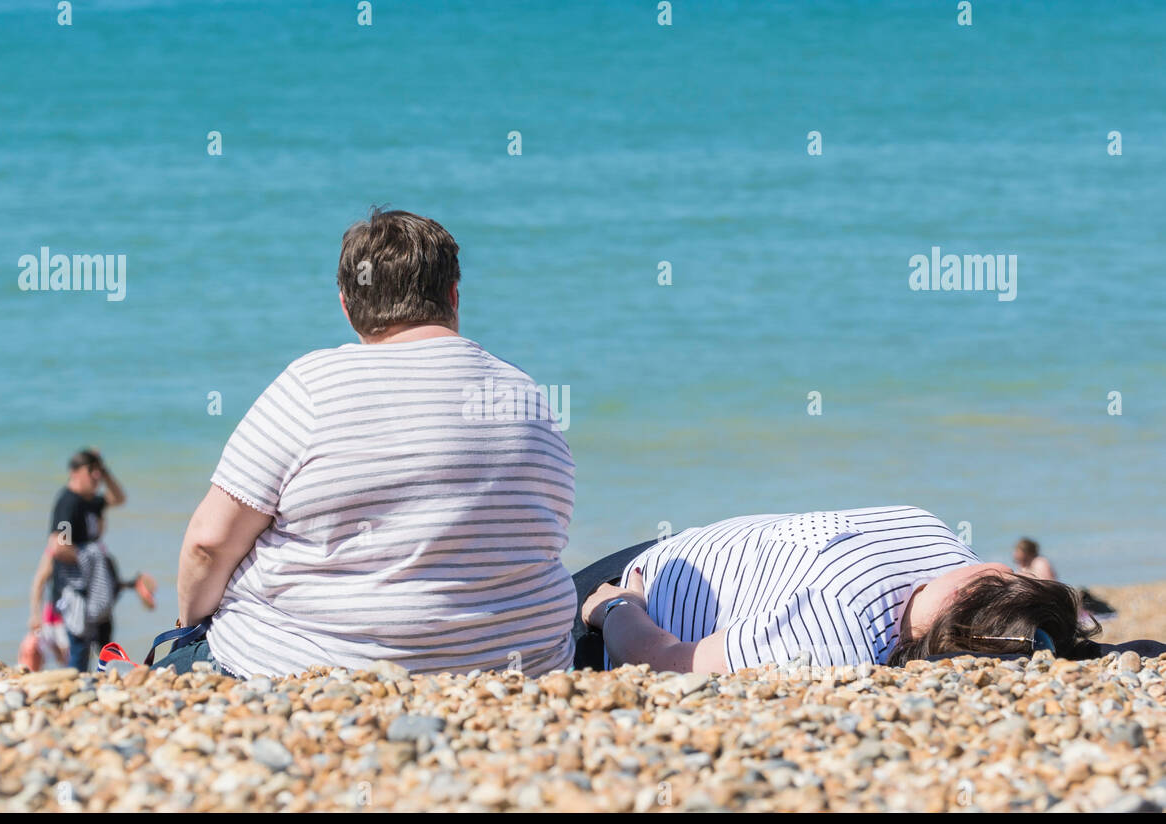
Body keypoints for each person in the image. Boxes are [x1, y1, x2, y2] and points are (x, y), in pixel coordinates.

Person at [166, 208, 576, 678]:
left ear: (346, 305)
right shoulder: (528, 396)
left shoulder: (312, 387)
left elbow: (208, 544)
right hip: (519, 671)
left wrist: (189, 626)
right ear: (452, 295)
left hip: (309, 671)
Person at [580, 505, 1101, 674]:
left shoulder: (834, 629)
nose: (1002, 567)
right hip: (682, 547)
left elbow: (669, 661)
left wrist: (615, 608)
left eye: (1004, 582)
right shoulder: (940, 543)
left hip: (632, 600)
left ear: (965, 604)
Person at [28, 449, 127, 669]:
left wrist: (105, 471)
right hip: (74, 590)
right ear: (74, 473)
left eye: (98, 472)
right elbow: (57, 546)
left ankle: (106, 681)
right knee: (79, 647)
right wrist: (90, 558)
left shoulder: (92, 501)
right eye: (91, 471)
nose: (96, 477)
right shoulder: (68, 503)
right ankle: (78, 684)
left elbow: (120, 498)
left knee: (105, 643)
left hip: (96, 587)